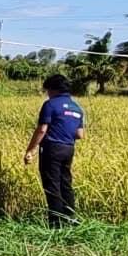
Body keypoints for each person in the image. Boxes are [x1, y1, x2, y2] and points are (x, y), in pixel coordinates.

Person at [24, 74, 86, 227]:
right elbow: (80, 134)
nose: (47, 93)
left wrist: (30, 150)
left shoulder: (50, 104)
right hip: (68, 149)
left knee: (52, 185)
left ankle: (56, 224)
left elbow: (42, 130)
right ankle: (70, 218)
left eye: (48, 90)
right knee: (66, 183)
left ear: (53, 89)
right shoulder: (77, 107)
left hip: (52, 148)